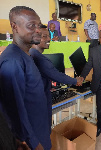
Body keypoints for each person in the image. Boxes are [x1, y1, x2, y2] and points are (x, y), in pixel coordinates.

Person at [0, 6, 51, 149]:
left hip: (40, 130)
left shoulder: (26, 55)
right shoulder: (12, 62)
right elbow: (14, 111)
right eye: (31, 25)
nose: (38, 30)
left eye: (39, 25)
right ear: (15, 27)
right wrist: (34, 143)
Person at [29, 25, 83, 133]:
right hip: (41, 102)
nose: (49, 39)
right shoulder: (39, 58)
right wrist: (75, 80)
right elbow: (57, 75)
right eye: (45, 36)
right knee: (45, 130)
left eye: (48, 36)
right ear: (35, 38)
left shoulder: (31, 53)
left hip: (36, 100)